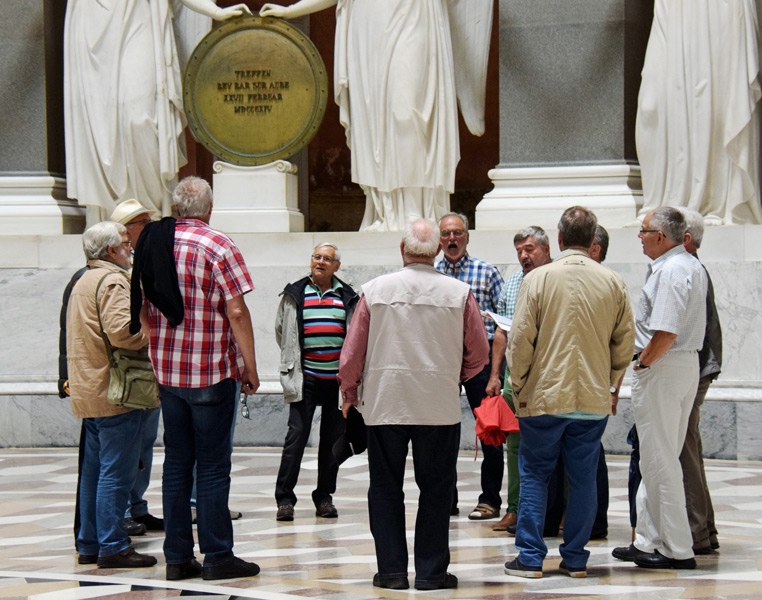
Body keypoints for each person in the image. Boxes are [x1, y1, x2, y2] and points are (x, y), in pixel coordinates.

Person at [338, 218, 489, 590]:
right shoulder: (459, 292)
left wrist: (349, 392)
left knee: (385, 488)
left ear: (402, 251)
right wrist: (457, 375)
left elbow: (351, 354)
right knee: (437, 489)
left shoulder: (374, 290)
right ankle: (431, 573)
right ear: (438, 250)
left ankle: (391, 572)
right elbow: (480, 353)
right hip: (437, 403)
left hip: (385, 402)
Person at [260, 0, 492, 231]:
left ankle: (414, 207)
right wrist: (291, 10)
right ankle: (386, 210)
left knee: (407, 112)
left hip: (414, 16)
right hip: (369, 24)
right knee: (377, 124)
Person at [137, 176, 260, 581]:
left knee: (176, 464)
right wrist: (250, 366)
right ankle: (217, 556)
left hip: (169, 374)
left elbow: (140, 304)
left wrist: (158, 347)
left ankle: (176, 558)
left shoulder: (155, 242)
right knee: (210, 467)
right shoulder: (217, 244)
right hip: (210, 373)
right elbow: (237, 312)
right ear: (209, 208)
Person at [503, 207, 635, 579]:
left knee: (534, 475)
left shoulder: (538, 279)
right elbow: (625, 344)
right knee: (583, 478)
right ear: (593, 240)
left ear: (559, 238)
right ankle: (575, 558)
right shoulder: (613, 281)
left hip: (545, 396)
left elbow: (521, 340)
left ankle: (530, 557)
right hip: (591, 399)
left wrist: (520, 384)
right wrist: (609, 382)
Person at [64, 0, 251, 223]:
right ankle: (116, 214)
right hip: (94, 20)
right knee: (100, 126)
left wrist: (214, 11)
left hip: (141, 17)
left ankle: (147, 213)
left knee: (139, 120)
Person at [613, 206, 707, 570]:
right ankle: (648, 538)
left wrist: (643, 362)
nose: (639, 236)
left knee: (660, 459)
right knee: (656, 456)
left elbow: (665, 332)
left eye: (643, 230)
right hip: (682, 366)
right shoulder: (689, 265)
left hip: (664, 365)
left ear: (661, 237)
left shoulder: (670, 271)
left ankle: (678, 549)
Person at [66, 221, 158, 569]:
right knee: (116, 473)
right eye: (124, 244)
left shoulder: (84, 280)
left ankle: (90, 542)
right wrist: (154, 332)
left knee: (92, 473)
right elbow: (123, 332)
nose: (129, 248)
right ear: (110, 251)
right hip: (115, 392)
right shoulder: (113, 280)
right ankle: (112, 545)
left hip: (91, 389)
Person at [636, 0, 762, 224]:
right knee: (651, 106)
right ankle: (666, 202)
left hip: (719, 8)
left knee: (716, 94)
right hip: (674, 7)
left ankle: (713, 202)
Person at [274, 243, 359, 521]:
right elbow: (281, 331)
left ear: (337, 266)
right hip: (305, 379)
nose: (320, 262)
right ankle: (285, 499)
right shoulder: (295, 294)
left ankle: (324, 497)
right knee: (295, 438)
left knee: (332, 441)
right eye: (316, 257)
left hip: (336, 382)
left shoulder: (347, 296)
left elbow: (357, 337)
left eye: (327, 259)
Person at [435, 212, 504, 520]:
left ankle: (490, 499)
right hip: (442, 359)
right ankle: (445, 499)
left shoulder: (486, 272)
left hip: (482, 359)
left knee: (490, 431)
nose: (452, 239)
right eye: (447, 234)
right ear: (439, 240)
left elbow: (504, 322)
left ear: (467, 237)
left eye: (458, 233)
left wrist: (496, 371)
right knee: (440, 432)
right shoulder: (430, 272)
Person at [486, 227, 552, 532]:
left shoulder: (557, 278)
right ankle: (514, 509)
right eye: (519, 251)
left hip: (550, 377)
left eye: (529, 249)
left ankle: (557, 513)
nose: (523, 256)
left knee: (555, 444)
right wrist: (495, 375)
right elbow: (501, 331)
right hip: (516, 378)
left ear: (546, 248)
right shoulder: (513, 283)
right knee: (514, 445)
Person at [108, 199, 163, 533]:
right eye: (142, 222)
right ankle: (126, 510)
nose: (148, 226)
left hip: (148, 370)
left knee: (145, 442)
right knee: (126, 447)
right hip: (126, 372)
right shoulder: (114, 274)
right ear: (125, 231)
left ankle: (138, 505)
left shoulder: (147, 262)